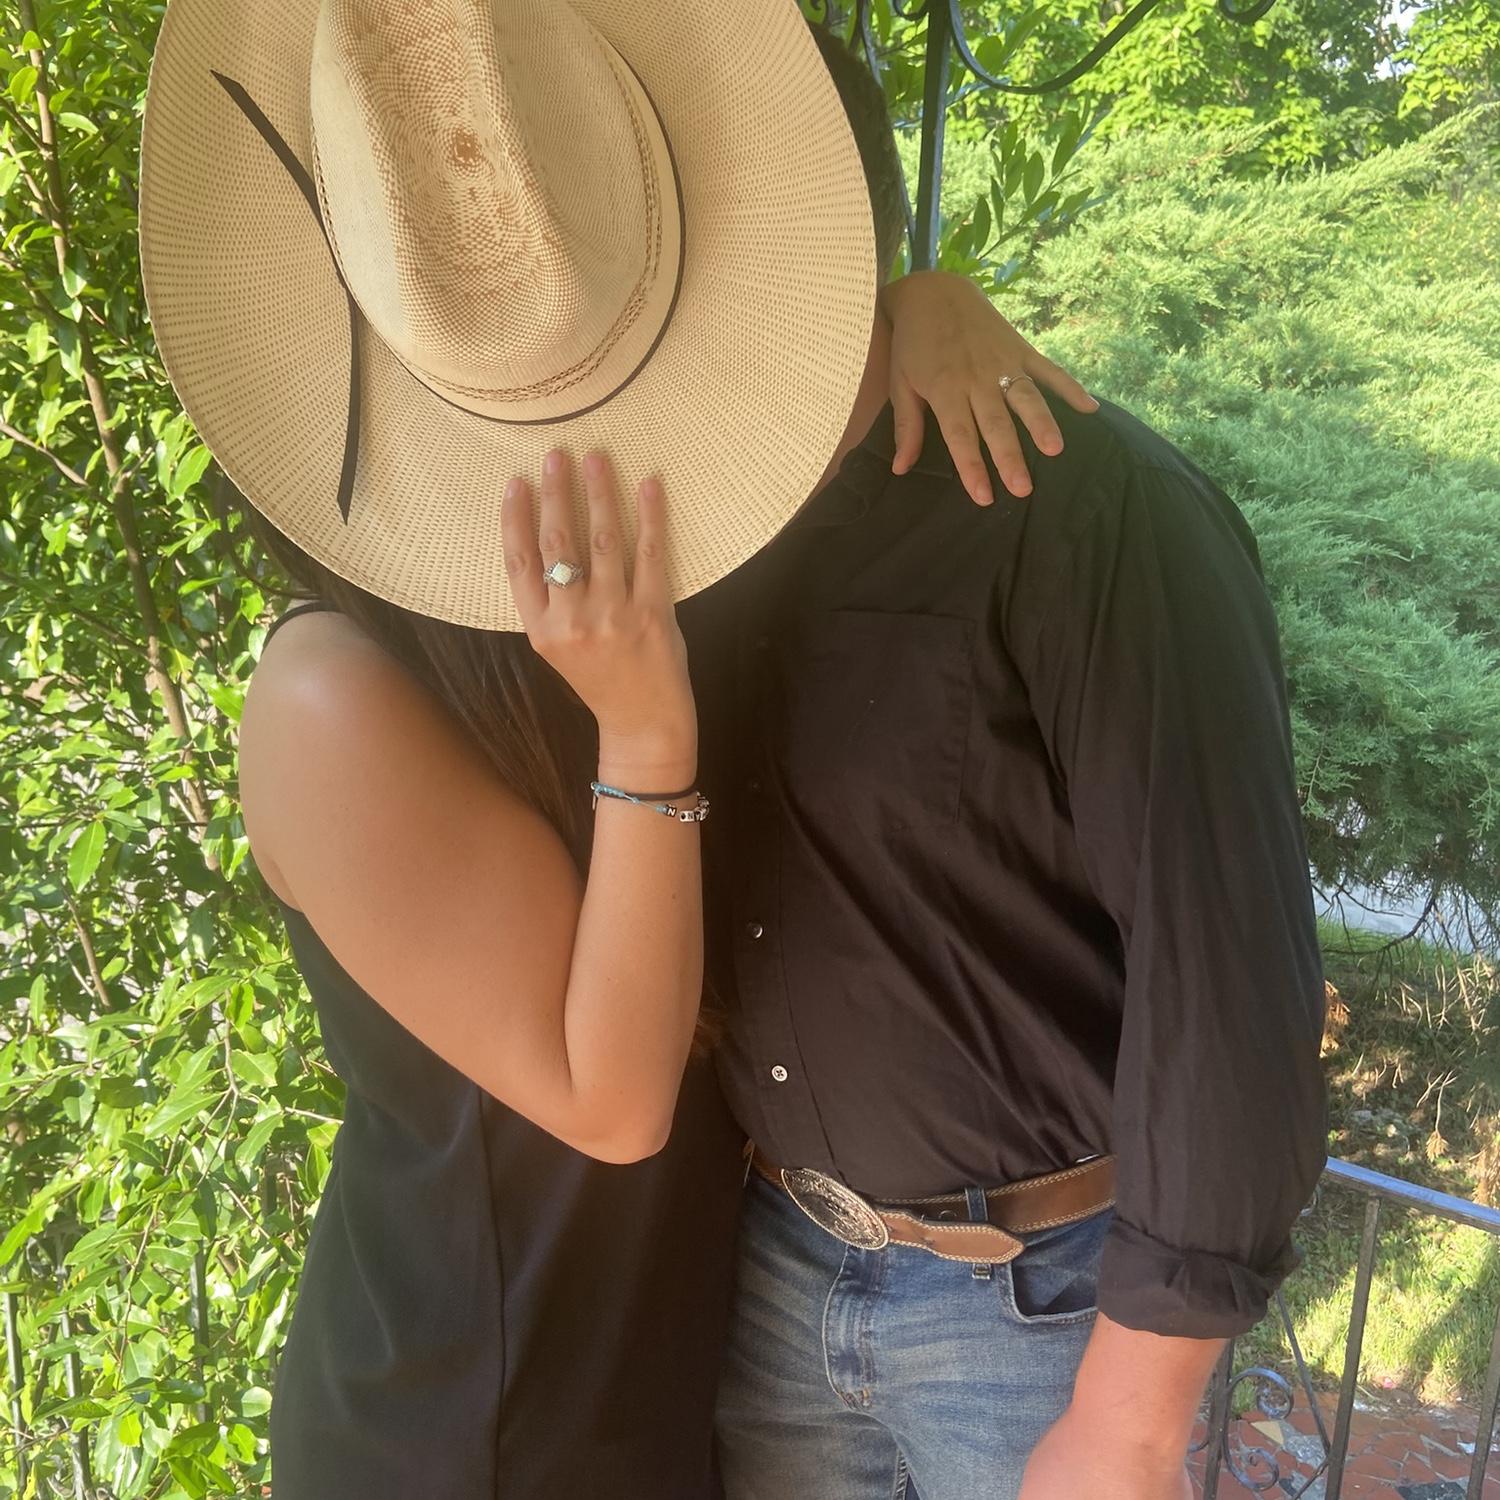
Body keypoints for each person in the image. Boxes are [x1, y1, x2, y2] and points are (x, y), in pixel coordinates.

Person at [137, 2, 1094, 1495]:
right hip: (478, 1421)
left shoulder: (649, 570)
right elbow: (614, 1098)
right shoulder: (329, 698)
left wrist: (915, 307)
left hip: (677, 1371)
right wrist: (645, 730)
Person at [684, 34, 1330, 1500]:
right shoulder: (704, 524)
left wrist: (1130, 1422)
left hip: (1040, 1318)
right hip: (773, 1277)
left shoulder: (1095, 513)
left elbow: (1227, 982)